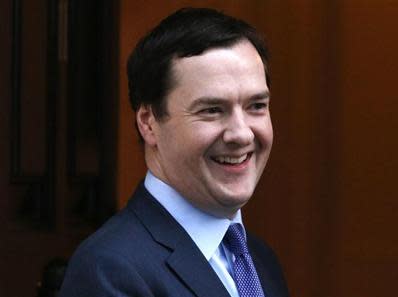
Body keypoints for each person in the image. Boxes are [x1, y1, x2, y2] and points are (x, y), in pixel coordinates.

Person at [59, 7, 289, 297]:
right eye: (211, 110)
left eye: (256, 106)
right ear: (149, 123)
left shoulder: (260, 261)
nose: (241, 134)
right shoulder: (109, 270)